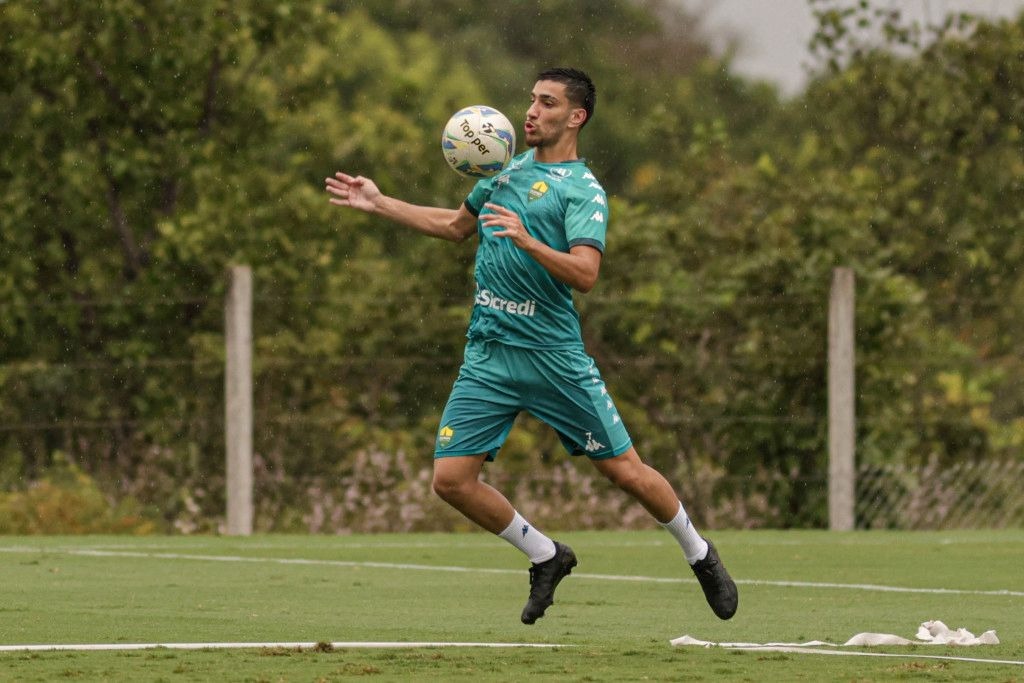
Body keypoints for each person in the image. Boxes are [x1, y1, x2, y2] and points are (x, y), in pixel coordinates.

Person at [325, 67, 737, 624]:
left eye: (546, 103)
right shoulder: (502, 171)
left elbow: (586, 274)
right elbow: (453, 225)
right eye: (531, 100)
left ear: (576, 116)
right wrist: (380, 203)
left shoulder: (582, 189)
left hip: (553, 358)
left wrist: (526, 239)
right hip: (489, 353)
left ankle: (700, 553)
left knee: (627, 473)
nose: (531, 111)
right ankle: (546, 554)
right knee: (451, 481)